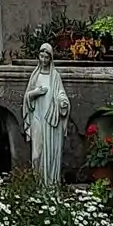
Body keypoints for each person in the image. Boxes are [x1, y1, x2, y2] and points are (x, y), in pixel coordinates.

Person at [22, 40, 70, 186]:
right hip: (37, 118)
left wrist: (63, 103)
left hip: (51, 121)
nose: (43, 60)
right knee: (37, 155)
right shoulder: (35, 75)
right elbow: (26, 97)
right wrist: (34, 93)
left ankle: (50, 186)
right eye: (41, 56)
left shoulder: (55, 76)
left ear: (50, 58)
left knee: (51, 154)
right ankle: (38, 185)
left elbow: (61, 93)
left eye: (46, 57)